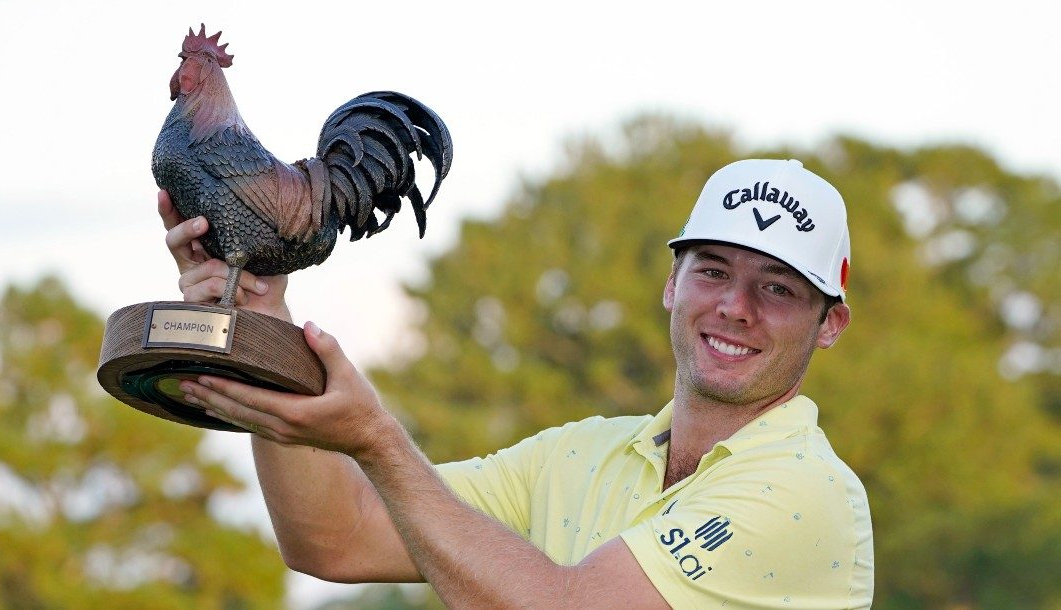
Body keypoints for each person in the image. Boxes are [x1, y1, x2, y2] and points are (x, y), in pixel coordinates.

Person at [161, 158, 874, 608]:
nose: (734, 307)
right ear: (672, 284)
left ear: (830, 323)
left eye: (777, 288)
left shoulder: (802, 490)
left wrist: (378, 440)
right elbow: (336, 538)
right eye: (713, 270)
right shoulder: (581, 455)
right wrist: (263, 325)